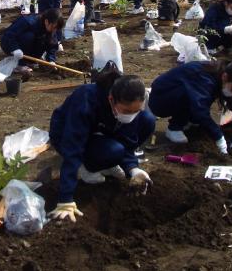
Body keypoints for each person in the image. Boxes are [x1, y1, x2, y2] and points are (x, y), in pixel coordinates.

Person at [48, 72, 156, 222]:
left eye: (135, 111)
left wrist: (133, 168)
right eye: (126, 111)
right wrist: (65, 198)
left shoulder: (126, 104)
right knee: (114, 151)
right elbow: (73, 145)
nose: (130, 115)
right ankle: (86, 166)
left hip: (102, 131)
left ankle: (107, 161)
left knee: (147, 120)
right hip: (66, 133)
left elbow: (127, 138)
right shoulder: (86, 100)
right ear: (111, 99)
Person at [148, 60, 232, 154]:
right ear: (225, 77)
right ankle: (174, 128)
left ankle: (186, 119)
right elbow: (200, 109)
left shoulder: (223, 75)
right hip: (160, 99)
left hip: (180, 95)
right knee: (194, 102)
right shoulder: (203, 77)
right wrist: (218, 136)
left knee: (198, 108)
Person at [1, 8, 64, 75]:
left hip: (28, 49)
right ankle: (19, 64)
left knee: (44, 39)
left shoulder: (51, 28)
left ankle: (30, 62)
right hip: (11, 46)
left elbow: (52, 44)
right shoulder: (28, 21)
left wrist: (51, 60)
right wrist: (14, 48)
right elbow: (8, 36)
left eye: (56, 29)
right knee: (29, 36)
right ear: (46, 21)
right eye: (53, 27)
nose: (54, 30)